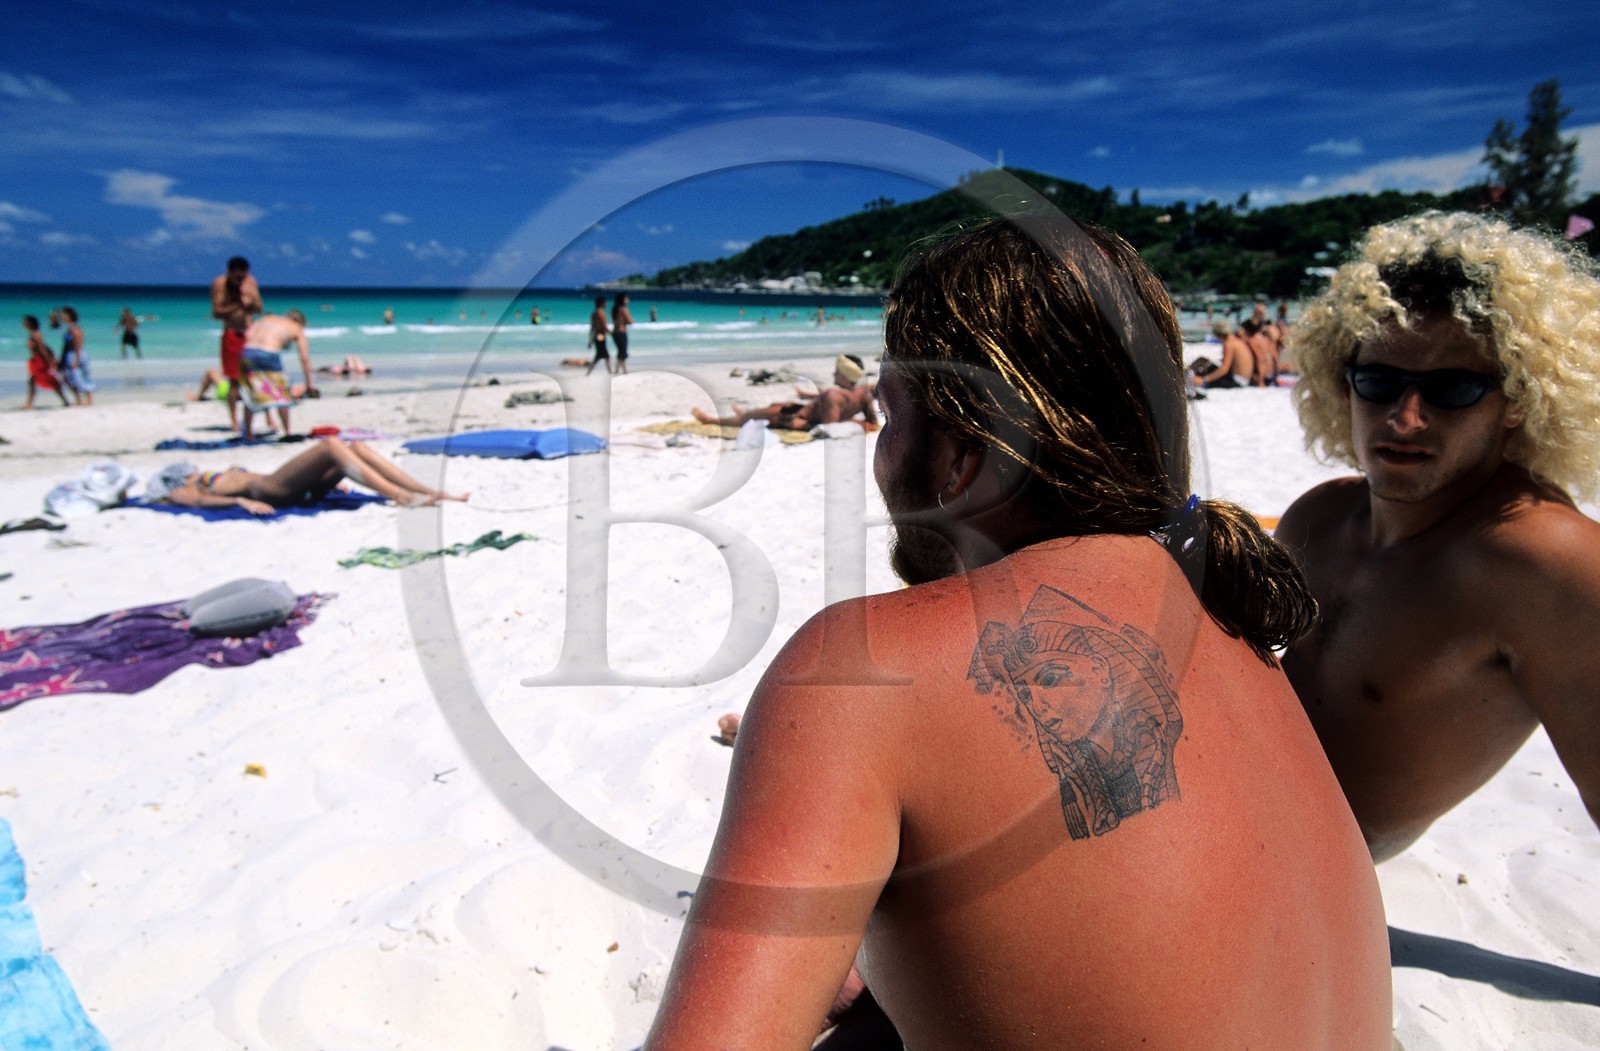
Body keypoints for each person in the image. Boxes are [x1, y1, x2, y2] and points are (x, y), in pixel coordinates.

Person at [648, 217, 1390, 1050]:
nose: (880, 456)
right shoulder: (1234, 623)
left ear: (963, 455)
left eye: (890, 417)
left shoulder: (859, 671)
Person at [1276, 210, 1600, 862]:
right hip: (1210, 798)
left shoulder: (1543, 561)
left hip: (1302, 867)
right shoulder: (1318, 517)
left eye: (1452, 387)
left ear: (1517, 398)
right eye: (1378, 380)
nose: (1404, 416)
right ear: (1343, 385)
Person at [145, 437, 468, 514]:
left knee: (354, 445)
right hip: (269, 490)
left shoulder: (205, 477)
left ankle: (428, 490)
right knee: (330, 444)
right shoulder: (182, 488)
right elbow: (196, 501)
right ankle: (399, 495)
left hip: (288, 487)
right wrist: (242, 501)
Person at [692, 354, 877, 431]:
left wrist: (794, 422)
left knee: (750, 418)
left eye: (837, 371)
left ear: (845, 375)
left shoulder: (832, 395)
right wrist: (855, 423)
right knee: (771, 407)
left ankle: (712, 420)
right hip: (799, 409)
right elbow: (872, 423)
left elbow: (828, 428)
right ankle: (744, 414)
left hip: (797, 415)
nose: (833, 374)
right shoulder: (863, 395)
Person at [237, 311, 316, 439]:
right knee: (282, 395)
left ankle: (248, 434)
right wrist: (309, 384)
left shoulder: (268, 318)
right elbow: (304, 358)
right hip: (269, 354)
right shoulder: (296, 328)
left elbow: (248, 333)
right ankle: (287, 432)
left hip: (248, 352)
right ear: (301, 323)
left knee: (250, 394)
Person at [211, 256, 263, 431]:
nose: (240, 280)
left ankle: (263, 417)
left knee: (255, 378)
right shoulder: (220, 284)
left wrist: (250, 300)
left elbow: (258, 308)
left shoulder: (250, 282)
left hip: (249, 333)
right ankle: (234, 419)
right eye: (237, 277)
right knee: (234, 380)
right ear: (230, 273)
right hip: (232, 333)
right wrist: (237, 304)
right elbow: (216, 312)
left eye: (243, 276)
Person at [21, 315, 70, 409]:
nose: (23, 324)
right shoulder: (33, 334)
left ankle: (29, 404)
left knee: (47, 380)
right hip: (36, 361)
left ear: (30, 324)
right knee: (33, 380)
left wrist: (51, 361)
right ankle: (29, 404)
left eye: (25, 322)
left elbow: (43, 349)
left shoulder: (36, 334)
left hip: (40, 361)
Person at [1189, 320, 1253, 388]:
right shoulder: (1237, 341)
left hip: (1237, 382)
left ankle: (1189, 377)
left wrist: (1204, 379)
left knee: (1204, 363)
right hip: (1244, 380)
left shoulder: (1228, 344)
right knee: (1208, 364)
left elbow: (1224, 369)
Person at [57, 306, 93, 406]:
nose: (62, 317)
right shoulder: (70, 328)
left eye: (64, 315)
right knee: (69, 378)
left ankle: (87, 400)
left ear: (70, 316)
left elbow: (78, 344)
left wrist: (77, 359)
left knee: (79, 377)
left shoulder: (74, 329)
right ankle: (79, 399)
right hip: (72, 355)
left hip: (76, 354)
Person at [585, 296, 611, 375]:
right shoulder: (601, 313)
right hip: (600, 334)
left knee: (601, 355)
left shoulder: (594, 313)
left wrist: (590, 340)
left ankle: (589, 373)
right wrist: (612, 333)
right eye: (605, 302)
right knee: (603, 355)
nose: (606, 304)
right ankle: (610, 372)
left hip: (597, 334)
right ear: (602, 303)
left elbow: (592, 328)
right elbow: (604, 326)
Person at [612, 292, 634, 375]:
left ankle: (618, 369)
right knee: (623, 352)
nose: (628, 299)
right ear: (623, 299)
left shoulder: (614, 309)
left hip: (615, 332)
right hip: (621, 332)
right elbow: (630, 321)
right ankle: (624, 370)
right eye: (626, 298)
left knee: (620, 351)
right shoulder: (624, 309)